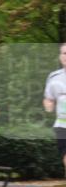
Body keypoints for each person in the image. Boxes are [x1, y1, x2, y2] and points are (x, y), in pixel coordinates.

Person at [43, 42, 66, 177]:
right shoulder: (53, 77)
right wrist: (48, 105)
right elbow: (48, 98)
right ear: (60, 56)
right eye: (64, 53)